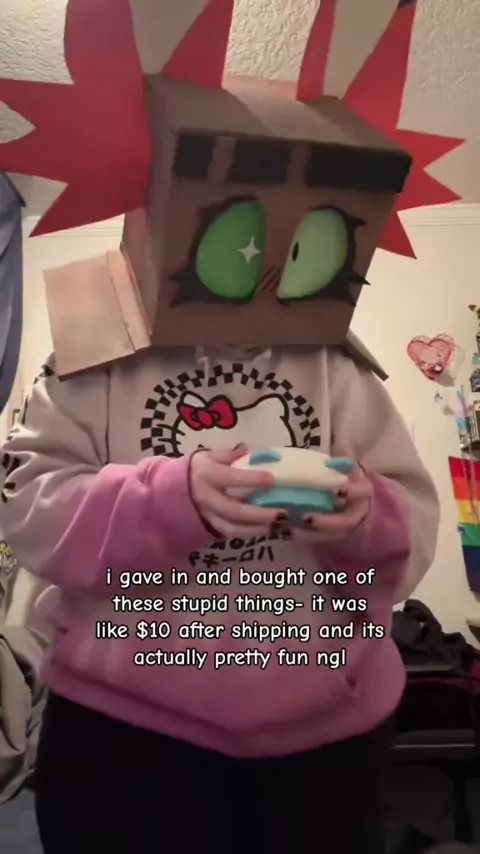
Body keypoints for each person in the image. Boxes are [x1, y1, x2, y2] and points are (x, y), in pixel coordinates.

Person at [0, 1, 455, 852]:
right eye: (236, 234)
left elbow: (413, 532)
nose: (263, 263)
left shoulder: (340, 371)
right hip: (128, 736)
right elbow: (30, 513)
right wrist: (171, 499)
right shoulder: (94, 356)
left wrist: (368, 514)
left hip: (325, 742)